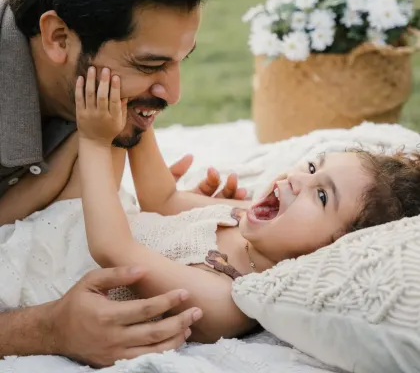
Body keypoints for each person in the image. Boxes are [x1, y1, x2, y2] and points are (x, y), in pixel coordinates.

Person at [2, 68, 420, 353]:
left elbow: (113, 249)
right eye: (313, 167)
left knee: (91, 142)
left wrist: (97, 141)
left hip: (53, 271)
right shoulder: (245, 217)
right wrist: (137, 112)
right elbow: (161, 200)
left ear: (332, 250)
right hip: (73, 222)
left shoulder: (226, 300)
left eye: (322, 196)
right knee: (99, 137)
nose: (297, 179)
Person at [0, 0, 245, 366]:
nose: (173, 94)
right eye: (150, 64)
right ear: (57, 37)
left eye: (179, 63)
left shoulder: (91, 99)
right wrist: (44, 329)